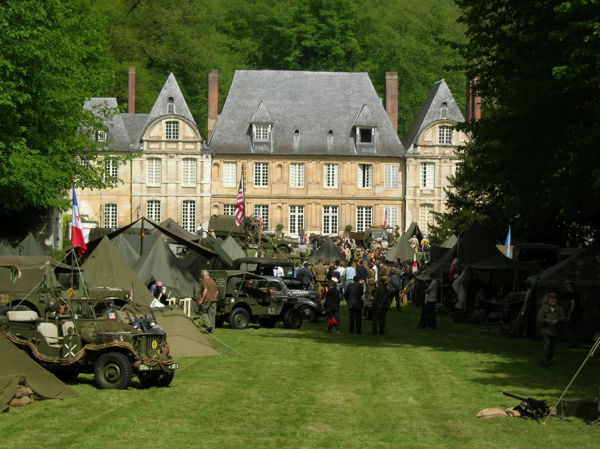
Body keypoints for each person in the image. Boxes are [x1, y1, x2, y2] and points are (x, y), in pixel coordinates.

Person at [536, 292, 565, 367]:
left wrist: (557, 320)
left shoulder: (559, 308)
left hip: (555, 331)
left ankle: (549, 360)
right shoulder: (544, 308)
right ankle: (546, 361)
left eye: (554, 299)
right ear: (548, 300)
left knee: (553, 348)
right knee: (547, 346)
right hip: (546, 331)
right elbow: (539, 318)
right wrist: (546, 320)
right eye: (551, 299)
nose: (553, 300)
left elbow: (563, 317)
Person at [565, 281, 582, 348]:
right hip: (578, 313)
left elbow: (573, 305)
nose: (567, 288)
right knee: (572, 328)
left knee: (569, 327)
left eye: (568, 287)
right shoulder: (577, 294)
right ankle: (574, 343)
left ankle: (574, 343)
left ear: (572, 287)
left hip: (574, 314)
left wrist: (569, 315)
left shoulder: (572, 294)